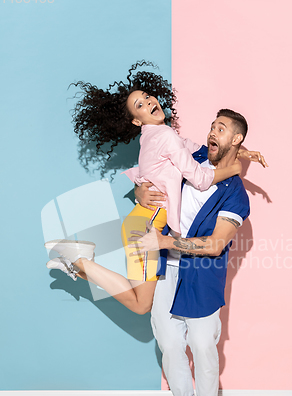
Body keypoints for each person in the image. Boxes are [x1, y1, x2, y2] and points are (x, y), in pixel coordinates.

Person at [45, 63, 266, 314]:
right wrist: (235, 168)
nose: (148, 102)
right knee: (141, 305)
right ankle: (80, 258)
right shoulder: (166, 137)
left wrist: (241, 151)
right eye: (140, 105)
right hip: (147, 224)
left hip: (142, 221)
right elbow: (200, 178)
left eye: (147, 97)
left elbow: (194, 149)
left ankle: (76, 265)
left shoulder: (155, 136)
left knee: (139, 298)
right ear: (136, 120)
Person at [130, 109, 255, 396]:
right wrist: (140, 191)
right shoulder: (192, 157)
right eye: (213, 126)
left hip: (201, 274)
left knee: (202, 345)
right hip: (165, 270)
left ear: (236, 139)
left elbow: (215, 245)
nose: (213, 132)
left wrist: (166, 241)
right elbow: (152, 173)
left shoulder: (235, 194)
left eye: (222, 129)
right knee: (169, 343)